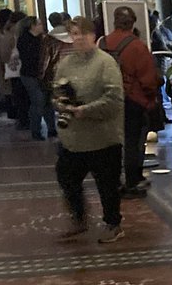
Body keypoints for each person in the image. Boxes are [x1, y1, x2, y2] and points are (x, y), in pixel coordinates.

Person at [53, 15, 125, 243]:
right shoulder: (66, 63)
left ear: (93, 36)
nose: (79, 38)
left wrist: (87, 109)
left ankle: (113, 224)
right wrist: (61, 104)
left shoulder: (105, 62)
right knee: (66, 176)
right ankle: (79, 218)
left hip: (102, 138)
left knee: (107, 185)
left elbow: (114, 99)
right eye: (74, 34)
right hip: (74, 139)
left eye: (83, 33)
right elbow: (56, 91)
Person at [99, 6, 159, 197]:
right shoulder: (137, 46)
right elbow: (148, 79)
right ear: (132, 23)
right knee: (133, 142)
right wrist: (150, 99)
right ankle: (133, 181)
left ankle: (113, 181)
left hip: (107, 99)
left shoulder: (102, 43)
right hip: (132, 100)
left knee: (111, 142)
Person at [17, 17, 58, 140]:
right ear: (32, 26)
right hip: (30, 75)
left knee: (47, 101)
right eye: (39, 24)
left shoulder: (42, 39)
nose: (42, 26)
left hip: (42, 74)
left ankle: (51, 129)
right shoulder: (25, 40)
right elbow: (30, 58)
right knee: (38, 100)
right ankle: (36, 130)